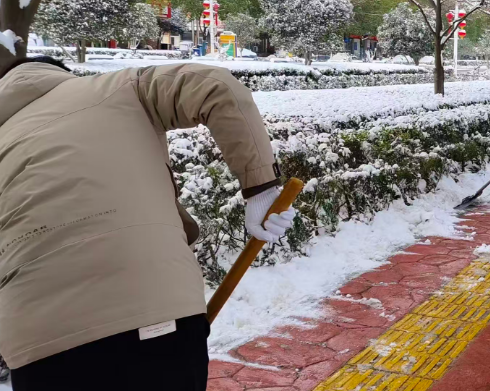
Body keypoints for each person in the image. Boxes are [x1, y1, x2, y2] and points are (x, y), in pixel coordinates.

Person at [0, 56, 295, 390]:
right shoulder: (115, 89)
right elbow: (216, 85)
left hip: (37, 343)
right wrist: (260, 189)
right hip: (151, 313)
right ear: (61, 74)